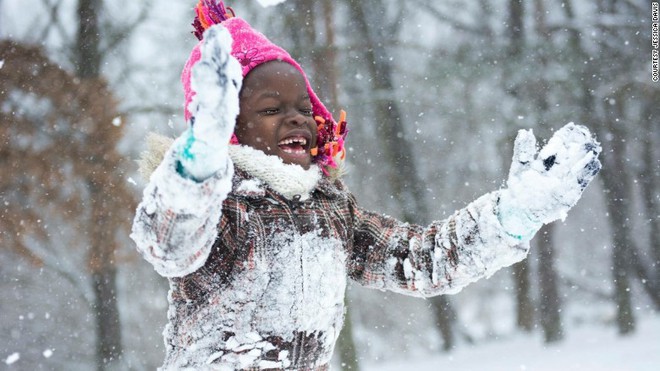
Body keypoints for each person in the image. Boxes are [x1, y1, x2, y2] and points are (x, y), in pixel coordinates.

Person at [130, 1, 602, 369]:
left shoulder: (331, 210)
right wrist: (197, 164)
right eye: (271, 109)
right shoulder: (223, 207)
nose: (296, 116)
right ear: (230, 126)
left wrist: (513, 215)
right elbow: (169, 243)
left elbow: (419, 260)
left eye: (303, 107)